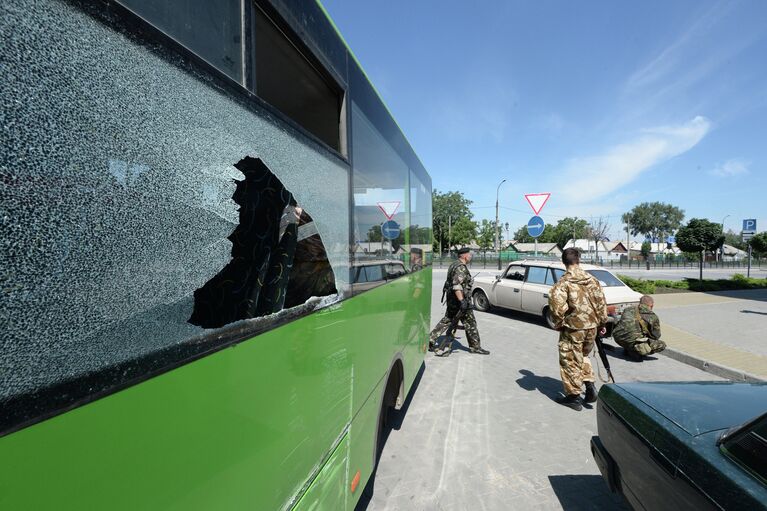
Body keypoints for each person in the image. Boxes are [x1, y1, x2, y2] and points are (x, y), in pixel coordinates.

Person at [548, 248, 608, 410]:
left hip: (573, 328)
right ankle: (589, 387)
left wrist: (559, 323)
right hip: (592, 328)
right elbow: (602, 304)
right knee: (583, 355)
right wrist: (602, 324)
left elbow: (557, 308)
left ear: (564, 262)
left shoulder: (563, 283)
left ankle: (574, 397)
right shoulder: (592, 280)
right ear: (579, 260)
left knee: (570, 360)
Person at [428, 247, 490, 355]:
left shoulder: (454, 264)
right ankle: (475, 347)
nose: (470, 256)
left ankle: (431, 339)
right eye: (469, 254)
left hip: (452, 300)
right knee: (471, 324)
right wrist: (462, 301)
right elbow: (457, 286)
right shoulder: (461, 268)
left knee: (447, 320)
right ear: (465, 256)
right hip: (460, 301)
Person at [612, 295, 665, 360]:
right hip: (632, 342)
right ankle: (636, 351)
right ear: (651, 305)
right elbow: (656, 335)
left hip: (618, 339)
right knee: (662, 345)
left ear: (640, 303)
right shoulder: (652, 316)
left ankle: (628, 348)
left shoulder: (627, 309)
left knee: (632, 333)